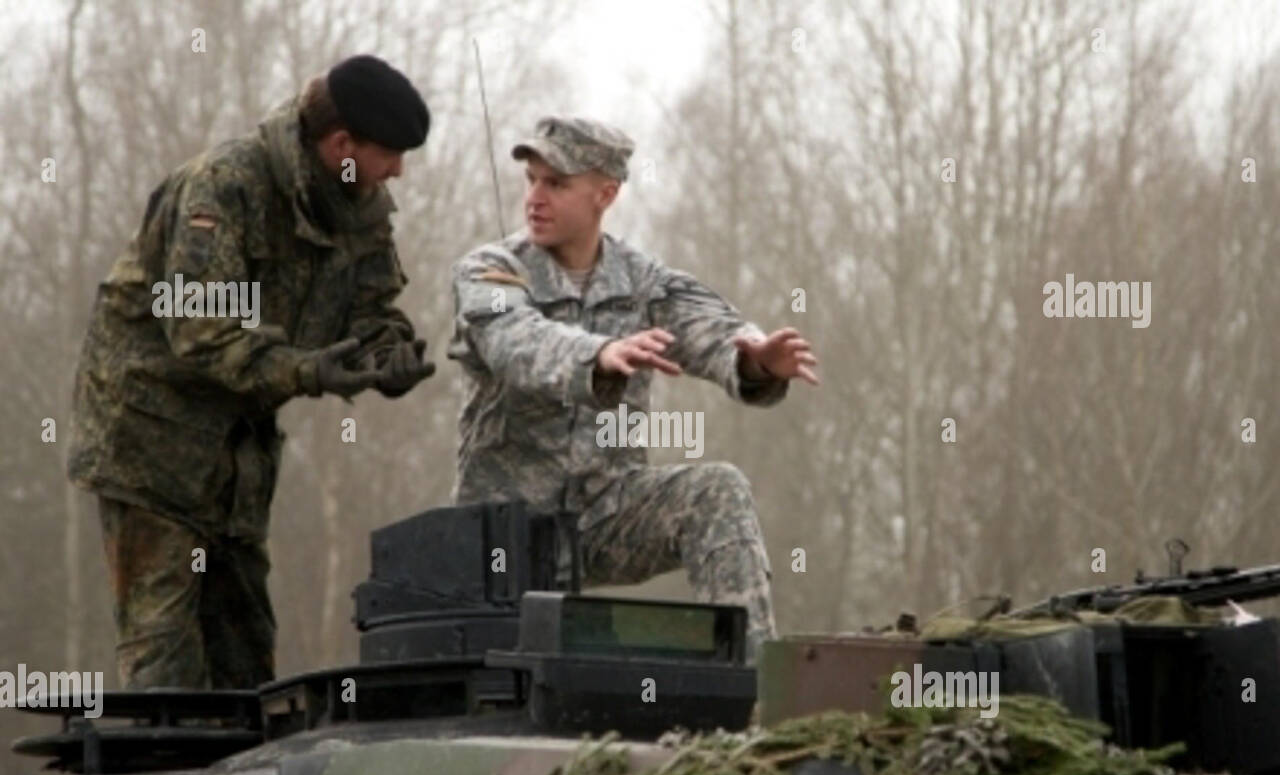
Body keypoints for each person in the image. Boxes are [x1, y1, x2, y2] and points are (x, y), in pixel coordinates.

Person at [68, 55, 436, 689]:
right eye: (391, 153)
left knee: (244, 660)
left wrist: (389, 357)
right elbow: (202, 334)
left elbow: (371, 309)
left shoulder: (359, 204)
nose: (398, 170)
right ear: (343, 145)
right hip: (150, 446)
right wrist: (308, 372)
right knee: (167, 665)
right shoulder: (224, 187)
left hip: (238, 457)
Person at [448, 115, 819, 662]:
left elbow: (713, 331)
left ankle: (755, 687)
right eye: (531, 180)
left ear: (605, 193)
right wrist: (594, 354)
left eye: (556, 183)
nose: (535, 197)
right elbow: (513, 340)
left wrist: (758, 361)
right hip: (506, 538)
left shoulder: (642, 282)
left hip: (604, 517)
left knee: (718, 489)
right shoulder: (491, 272)